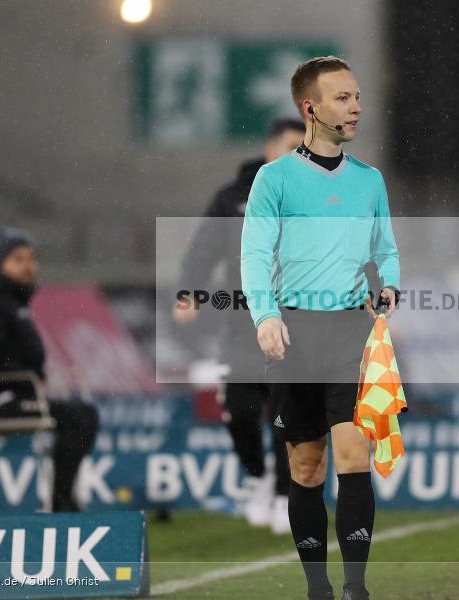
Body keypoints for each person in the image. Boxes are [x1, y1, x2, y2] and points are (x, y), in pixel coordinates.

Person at [241, 56, 400, 600]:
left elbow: (386, 250)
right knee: (307, 466)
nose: (356, 106)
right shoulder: (274, 179)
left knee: (353, 456)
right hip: (295, 333)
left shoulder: (370, 181)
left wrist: (390, 285)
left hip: (351, 332)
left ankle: (356, 587)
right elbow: (255, 254)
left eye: (357, 96)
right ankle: (318, 588)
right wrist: (265, 315)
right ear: (310, 108)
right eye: (343, 98)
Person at [173, 118, 305, 534]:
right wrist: (190, 292)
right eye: (291, 147)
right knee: (241, 412)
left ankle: (286, 495)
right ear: (270, 150)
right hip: (242, 324)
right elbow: (202, 249)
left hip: (297, 326)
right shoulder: (233, 199)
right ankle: (257, 474)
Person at [0, 228, 99, 512]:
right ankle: (61, 503)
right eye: (18, 259)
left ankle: (62, 499)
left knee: (84, 413)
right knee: (77, 418)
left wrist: (29, 376)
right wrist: (22, 377)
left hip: (10, 393)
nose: (28, 266)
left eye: (31, 258)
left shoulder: (9, 299)